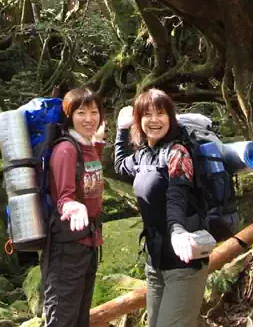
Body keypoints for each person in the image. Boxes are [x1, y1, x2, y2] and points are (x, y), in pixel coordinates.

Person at [114, 88, 208, 327]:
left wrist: (177, 230)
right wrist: (121, 131)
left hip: (183, 263)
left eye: (160, 113)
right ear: (139, 120)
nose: (154, 120)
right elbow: (120, 165)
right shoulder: (144, 155)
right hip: (155, 264)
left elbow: (177, 196)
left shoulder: (178, 153)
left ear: (170, 117)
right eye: (147, 114)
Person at [42, 87, 107, 327]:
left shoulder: (88, 146)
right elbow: (64, 197)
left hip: (88, 244)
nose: (89, 118)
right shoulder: (66, 150)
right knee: (62, 318)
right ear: (69, 116)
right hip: (67, 248)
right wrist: (73, 206)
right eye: (81, 112)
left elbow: (91, 174)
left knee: (80, 318)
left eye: (94, 111)